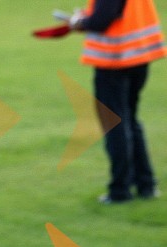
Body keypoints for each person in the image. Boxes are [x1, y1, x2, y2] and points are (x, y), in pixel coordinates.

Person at [68, 0, 166, 203]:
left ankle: (120, 191)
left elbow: (102, 19)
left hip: (115, 60)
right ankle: (145, 185)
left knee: (116, 125)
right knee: (130, 120)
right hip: (139, 57)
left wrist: (79, 21)